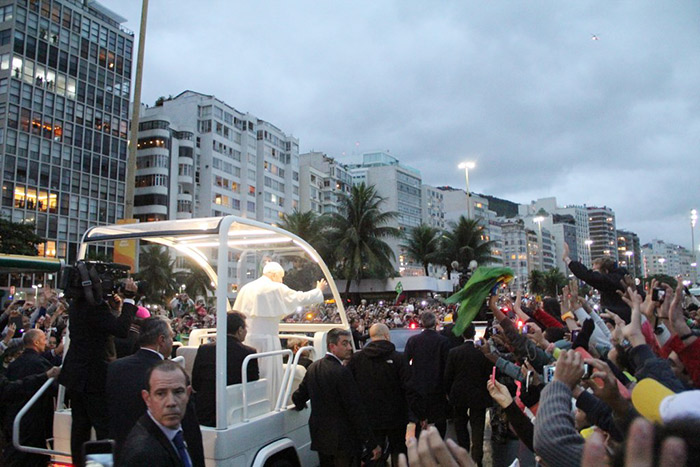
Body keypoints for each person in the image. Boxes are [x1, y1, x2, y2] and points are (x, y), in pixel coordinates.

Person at [58, 277, 138, 467]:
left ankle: (81, 463)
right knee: (103, 428)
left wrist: (111, 307)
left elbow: (99, 327)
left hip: (76, 375)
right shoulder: (96, 308)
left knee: (79, 428)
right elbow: (121, 330)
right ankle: (103, 464)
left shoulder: (77, 304)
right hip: (93, 377)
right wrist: (129, 298)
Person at [106, 317, 205, 466]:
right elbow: (190, 429)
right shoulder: (172, 375)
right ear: (161, 340)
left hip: (120, 454)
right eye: (171, 337)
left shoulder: (115, 368)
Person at [233, 261, 326, 402]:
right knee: (269, 377)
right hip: (267, 340)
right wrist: (318, 290)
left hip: (247, 340)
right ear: (274, 274)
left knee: (248, 375)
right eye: (281, 277)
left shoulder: (246, 288)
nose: (281, 281)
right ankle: (269, 404)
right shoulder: (275, 287)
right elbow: (299, 298)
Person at [292, 328, 381, 466]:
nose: (350, 348)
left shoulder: (313, 368)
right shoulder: (342, 372)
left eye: (350, 343)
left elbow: (299, 396)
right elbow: (355, 409)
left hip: (320, 437)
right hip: (343, 440)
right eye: (345, 344)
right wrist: (370, 442)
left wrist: (299, 404)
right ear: (332, 346)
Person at [347, 323, 412, 466]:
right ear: (387, 336)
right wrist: (417, 412)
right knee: (398, 449)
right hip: (396, 415)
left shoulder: (357, 359)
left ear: (370, 337)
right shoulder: (398, 358)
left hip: (370, 415)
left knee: (375, 452)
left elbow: (350, 387)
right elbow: (408, 387)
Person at [118, 360, 194, 467]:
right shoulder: (143, 454)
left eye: (178, 392)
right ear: (147, 398)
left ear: (188, 394)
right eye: (161, 393)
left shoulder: (181, 430)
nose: (171, 402)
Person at [191, 312, 259, 426]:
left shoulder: (204, 349)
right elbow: (252, 387)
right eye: (245, 328)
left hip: (203, 413)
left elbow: (195, 383)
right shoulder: (249, 353)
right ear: (240, 330)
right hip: (235, 415)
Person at [3, 330, 54, 467]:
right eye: (44, 339)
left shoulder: (13, 365)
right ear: (36, 342)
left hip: (14, 418)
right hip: (36, 420)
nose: (46, 342)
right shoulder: (42, 364)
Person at [443, 324, 493, 466]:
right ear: (474, 334)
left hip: (459, 394)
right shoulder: (482, 353)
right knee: (478, 426)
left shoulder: (454, 352)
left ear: (462, 335)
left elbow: (448, 375)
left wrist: (448, 392)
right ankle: (477, 456)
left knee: (460, 424)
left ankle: (463, 452)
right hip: (479, 393)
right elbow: (488, 372)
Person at [404, 311, 450, 437]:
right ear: (435, 323)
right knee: (440, 422)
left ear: (422, 323)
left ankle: (421, 451)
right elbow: (447, 365)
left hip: (418, 386)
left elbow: (405, 362)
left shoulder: (413, 340)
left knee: (420, 423)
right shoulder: (443, 341)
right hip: (438, 386)